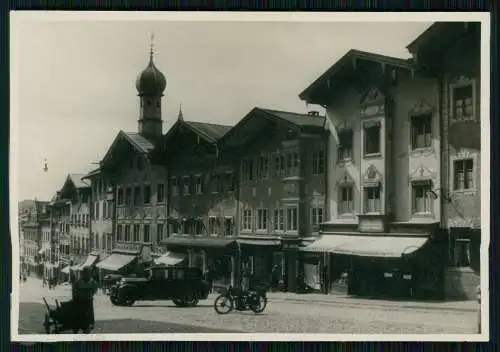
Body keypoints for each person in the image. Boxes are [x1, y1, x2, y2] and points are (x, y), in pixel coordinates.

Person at [72, 266, 98, 333]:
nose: (87, 274)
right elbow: (74, 290)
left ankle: (90, 324)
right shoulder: (78, 282)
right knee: (78, 314)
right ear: (83, 273)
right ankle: (77, 326)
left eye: (88, 273)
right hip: (80, 301)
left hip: (88, 300)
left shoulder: (92, 282)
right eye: (86, 273)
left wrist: (90, 294)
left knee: (89, 313)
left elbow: (95, 289)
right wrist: (75, 297)